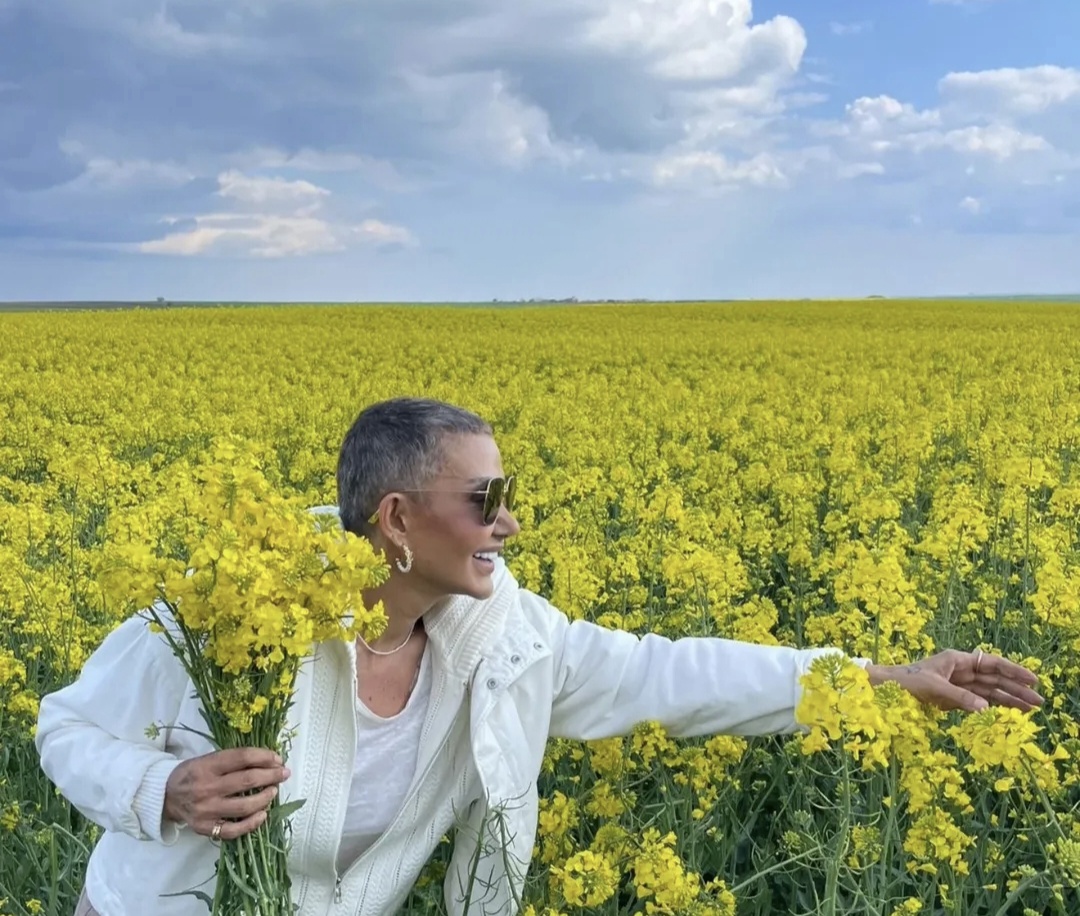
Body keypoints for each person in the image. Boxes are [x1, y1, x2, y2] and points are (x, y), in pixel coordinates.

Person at [36, 397, 1045, 916]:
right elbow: (63, 726)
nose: (508, 522)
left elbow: (668, 675)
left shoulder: (508, 637)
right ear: (395, 517)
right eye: (483, 499)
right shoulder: (227, 611)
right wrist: (162, 784)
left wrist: (875, 682)